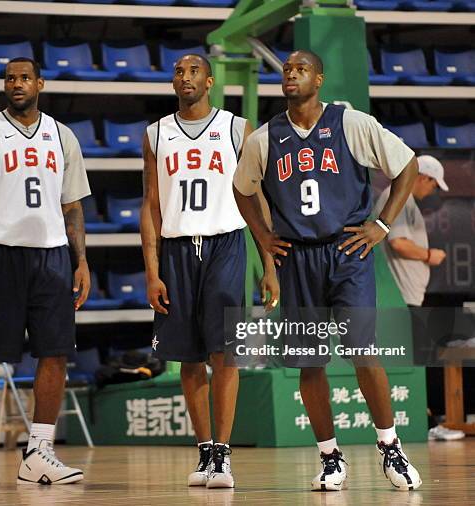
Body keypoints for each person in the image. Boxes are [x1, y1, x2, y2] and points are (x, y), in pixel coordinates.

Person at [233, 50, 422, 491]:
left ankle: (390, 445)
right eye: (286, 70)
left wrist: (380, 224)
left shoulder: (350, 123)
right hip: (297, 257)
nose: (291, 75)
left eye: (300, 69)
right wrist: (264, 239)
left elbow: (407, 165)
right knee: (309, 363)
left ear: (319, 78)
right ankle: (330, 456)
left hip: (347, 251)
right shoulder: (263, 139)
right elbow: (243, 192)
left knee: (363, 350)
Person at [0, 57, 91, 486]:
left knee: (55, 353)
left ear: (40, 83)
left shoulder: (62, 136)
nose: (16, 83)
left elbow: (73, 206)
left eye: (24, 77)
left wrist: (82, 261)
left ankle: (39, 453)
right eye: (10, 78)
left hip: (52, 256)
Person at [140, 54, 278, 489]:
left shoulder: (238, 129)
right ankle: (204, 452)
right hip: (177, 248)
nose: (185, 77)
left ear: (210, 80)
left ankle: (223, 452)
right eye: (179, 72)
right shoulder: (156, 134)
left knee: (225, 353)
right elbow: (151, 205)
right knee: (189, 356)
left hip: (225, 244)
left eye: (194, 71)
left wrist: (269, 265)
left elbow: (258, 201)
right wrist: (152, 270)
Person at [374, 155, 464, 441]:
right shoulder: (398, 198)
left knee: (418, 357)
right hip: (401, 297)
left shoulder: (404, 200)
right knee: (414, 359)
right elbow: (398, 243)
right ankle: (423, 425)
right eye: (434, 185)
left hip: (408, 296)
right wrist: (428, 255)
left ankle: (424, 421)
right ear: (423, 177)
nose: (433, 191)